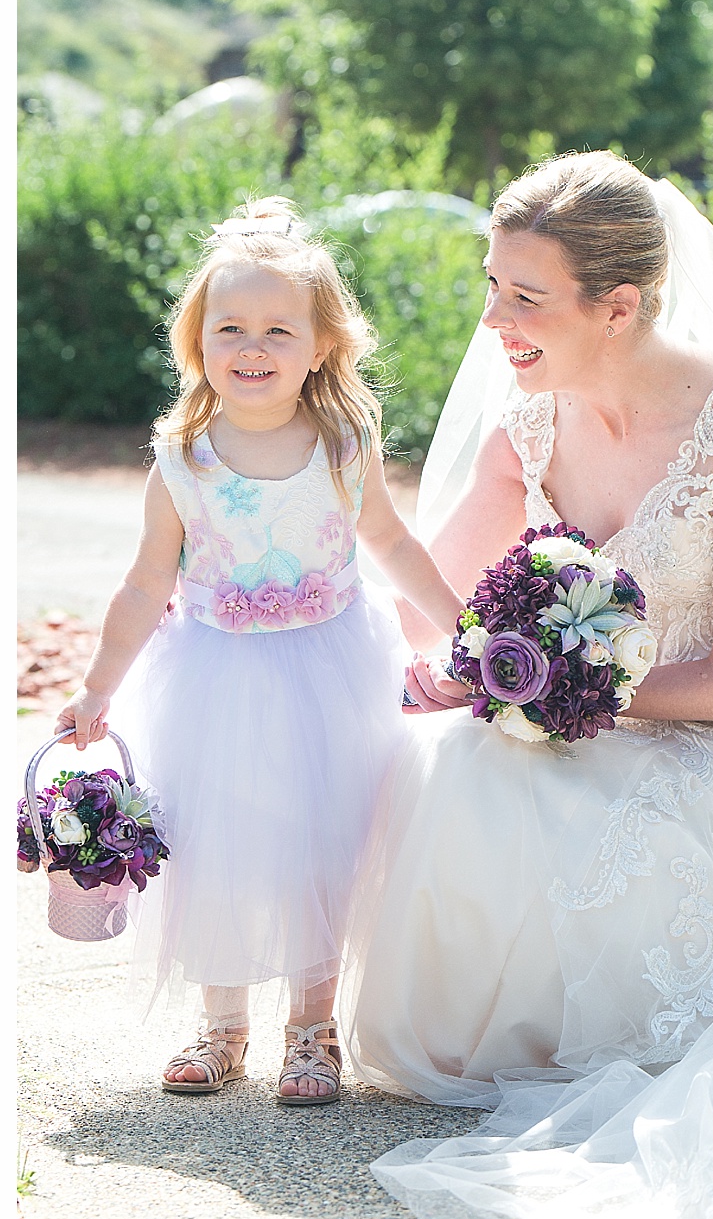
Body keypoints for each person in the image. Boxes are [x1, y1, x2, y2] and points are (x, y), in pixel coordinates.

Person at [342, 154, 713, 1219]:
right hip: (595, 717)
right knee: (449, 766)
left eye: (524, 297)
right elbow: (432, 611)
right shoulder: (527, 424)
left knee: (584, 827)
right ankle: (491, 1027)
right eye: (493, 285)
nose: (493, 318)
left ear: (620, 305)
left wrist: (561, 692)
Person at [59, 200, 466, 1109]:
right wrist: (97, 687)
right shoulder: (183, 457)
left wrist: (462, 625)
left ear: (321, 345)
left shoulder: (343, 444)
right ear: (197, 341)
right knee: (218, 847)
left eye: (279, 329)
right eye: (229, 327)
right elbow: (142, 585)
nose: (252, 346)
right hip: (215, 673)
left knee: (320, 842)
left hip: (329, 667)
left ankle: (313, 1027)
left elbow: (393, 546)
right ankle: (222, 1026)